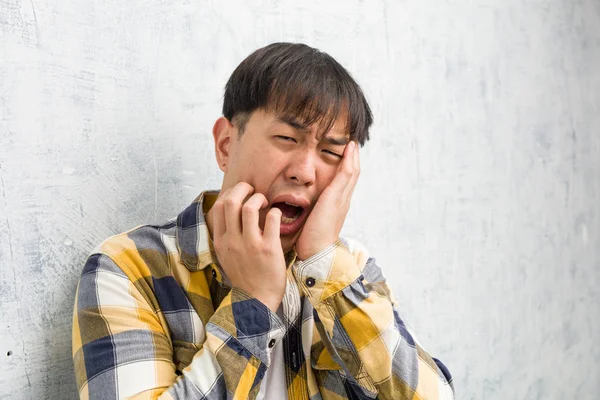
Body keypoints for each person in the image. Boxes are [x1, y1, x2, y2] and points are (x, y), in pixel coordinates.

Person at [72, 42, 454, 400]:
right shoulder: (129, 267)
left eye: (330, 152)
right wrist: (254, 302)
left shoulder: (347, 267)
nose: (305, 172)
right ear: (226, 144)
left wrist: (323, 262)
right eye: (287, 138)